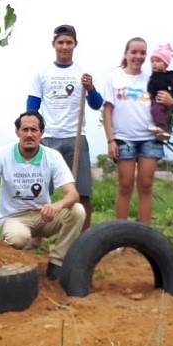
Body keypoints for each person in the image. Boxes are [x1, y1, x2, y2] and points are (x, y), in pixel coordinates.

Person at [0, 111, 85, 281]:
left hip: (44, 216)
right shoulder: (2, 154)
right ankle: (13, 264)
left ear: (41, 132)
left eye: (34, 130)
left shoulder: (52, 156)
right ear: (17, 132)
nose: (29, 134)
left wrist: (55, 206)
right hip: (14, 218)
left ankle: (57, 261)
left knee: (77, 211)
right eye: (25, 129)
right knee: (18, 238)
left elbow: (73, 194)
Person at [27, 24, 102, 232]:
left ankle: (85, 236)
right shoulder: (42, 73)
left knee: (83, 191)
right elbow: (32, 107)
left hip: (76, 137)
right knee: (41, 190)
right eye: (60, 42)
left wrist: (91, 88)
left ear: (75, 45)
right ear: (54, 44)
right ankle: (37, 236)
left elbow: (96, 104)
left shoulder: (83, 73)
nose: (64, 46)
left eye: (69, 42)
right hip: (49, 138)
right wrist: (34, 132)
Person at [102, 37, 173, 224]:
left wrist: (170, 103)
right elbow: (108, 111)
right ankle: (119, 235)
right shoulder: (114, 77)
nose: (138, 56)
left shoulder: (153, 79)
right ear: (126, 54)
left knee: (146, 185)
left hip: (150, 138)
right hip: (123, 138)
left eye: (143, 52)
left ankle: (144, 236)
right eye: (134, 52)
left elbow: (162, 111)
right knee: (125, 185)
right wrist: (111, 140)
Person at [146, 42, 173, 142]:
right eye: (152, 61)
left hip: (162, 99)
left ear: (165, 64)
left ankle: (162, 127)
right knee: (152, 109)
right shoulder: (152, 77)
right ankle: (160, 130)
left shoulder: (171, 76)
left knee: (156, 110)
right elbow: (150, 88)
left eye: (157, 61)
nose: (154, 63)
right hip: (153, 98)